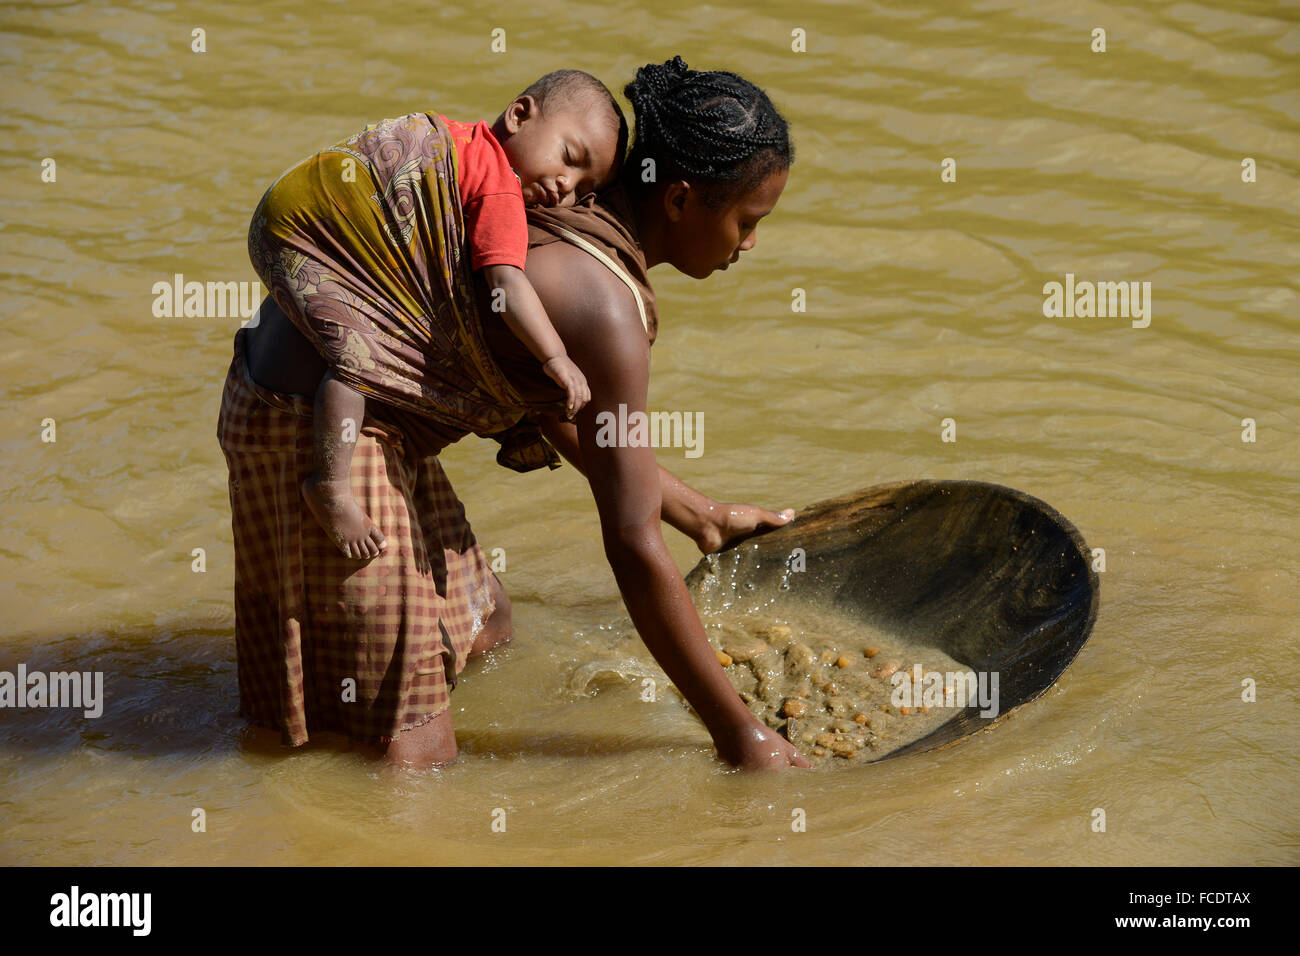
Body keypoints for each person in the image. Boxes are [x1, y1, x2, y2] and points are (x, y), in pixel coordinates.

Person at [220, 55, 809, 771]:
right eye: (749, 221)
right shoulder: (605, 309)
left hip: (355, 404)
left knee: (483, 623)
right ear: (680, 200)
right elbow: (629, 542)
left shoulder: (561, 205)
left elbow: (543, 403)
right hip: (312, 429)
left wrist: (698, 514)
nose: (750, 245)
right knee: (415, 749)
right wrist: (739, 735)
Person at [250, 71, 623, 560]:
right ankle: (331, 485)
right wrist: (556, 357)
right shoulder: (500, 190)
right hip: (306, 236)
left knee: (361, 341)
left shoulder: (461, 142)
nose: (564, 187)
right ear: (518, 115)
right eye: (570, 159)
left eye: (583, 186)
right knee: (360, 364)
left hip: (286, 218)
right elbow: (506, 282)